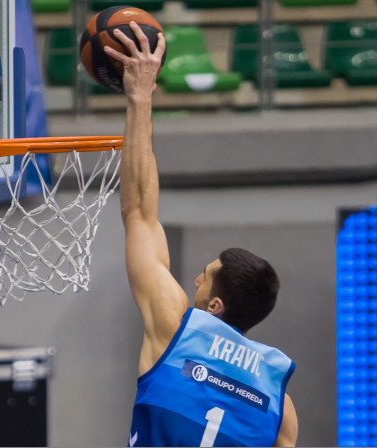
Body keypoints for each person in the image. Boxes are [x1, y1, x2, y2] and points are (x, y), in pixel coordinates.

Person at [103, 22, 298, 447]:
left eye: (204, 275)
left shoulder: (176, 326)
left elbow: (138, 211)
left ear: (215, 303)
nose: (194, 278)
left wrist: (140, 97)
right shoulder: (279, 398)